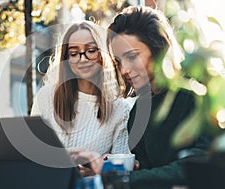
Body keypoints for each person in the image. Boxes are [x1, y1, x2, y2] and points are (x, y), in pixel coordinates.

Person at [71, 5, 210, 188]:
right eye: (119, 61)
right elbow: (150, 170)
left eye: (132, 56)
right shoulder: (138, 112)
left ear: (158, 48)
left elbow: (196, 167)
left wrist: (125, 179)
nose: (124, 70)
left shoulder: (198, 93)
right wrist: (115, 168)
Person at [0, 21, 134, 176]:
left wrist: (97, 172)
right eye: (73, 53)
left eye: (91, 50)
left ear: (102, 55)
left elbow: (121, 169)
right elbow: (32, 154)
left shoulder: (120, 109)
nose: (82, 58)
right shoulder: (46, 97)